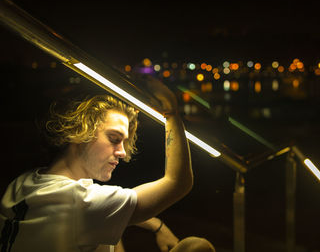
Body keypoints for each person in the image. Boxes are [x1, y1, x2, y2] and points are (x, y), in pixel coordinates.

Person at [0, 76, 215, 252]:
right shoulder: (82, 202)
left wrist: (157, 225)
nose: (122, 152)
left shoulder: (24, 183)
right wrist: (171, 112)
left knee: (111, 234)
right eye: (114, 139)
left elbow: (98, 211)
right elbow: (178, 182)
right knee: (197, 247)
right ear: (79, 131)